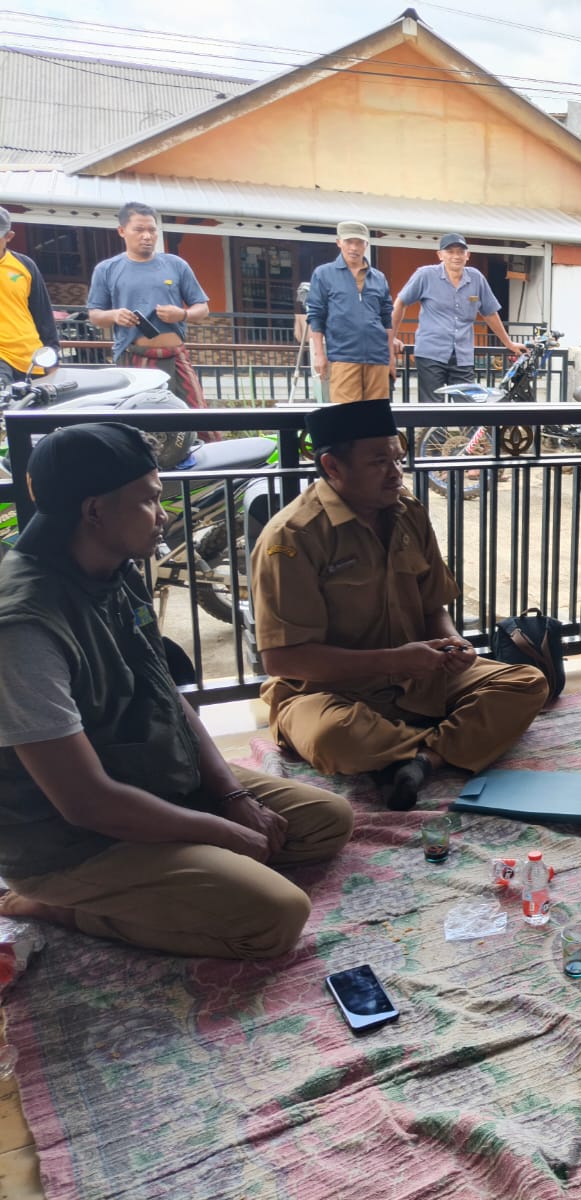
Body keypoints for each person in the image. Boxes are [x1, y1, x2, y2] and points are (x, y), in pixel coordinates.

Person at [0, 423, 353, 959]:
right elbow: (85, 803)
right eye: (148, 499)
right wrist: (219, 831)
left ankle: (183, 858)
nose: (163, 512)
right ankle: (60, 905)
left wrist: (231, 797)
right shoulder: (23, 627)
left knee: (329, 823)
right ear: (94, 511)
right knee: (276, 917)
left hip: (150, 776)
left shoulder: (110, 565)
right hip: (73, 841)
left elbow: (162, 686)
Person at [251, 399, 549, 810]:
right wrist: (394, 661)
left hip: (418, 676)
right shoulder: (293, 537)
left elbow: (433, 608)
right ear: (332, 467)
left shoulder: (407, 512)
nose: (395, 473)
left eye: (397, 458)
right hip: (328, 693)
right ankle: (443, 744)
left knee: (526, 684)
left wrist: (452, 644)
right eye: (378, 462)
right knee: (334, 738)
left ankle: (420, 761)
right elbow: (284, 660)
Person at [87, 201, 218, 441]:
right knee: (139, 421)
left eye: (152, 230)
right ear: (122, 231)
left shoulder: (176, 265)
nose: (147, 236)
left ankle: (211, 471)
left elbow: (202, 309)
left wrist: (183, 314)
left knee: (197, 414)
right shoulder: (107, 269)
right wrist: (115, 315)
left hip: (176, 355)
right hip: (134, 357)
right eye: (139, 229)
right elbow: (95, 315)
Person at [393, 234, 525, 401]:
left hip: (462, 355)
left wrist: (508, 343)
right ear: (440, 255)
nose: (456, 256)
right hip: (431, 353)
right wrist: (392, 337)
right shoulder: (425, 275)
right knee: (433, 409)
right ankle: (434, 428)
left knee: (467, 408)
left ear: (467, 255)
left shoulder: (476, 278)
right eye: (450, 251)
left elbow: (489, 313)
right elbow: (400, 303)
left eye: (460, 252)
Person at [304, 221, 396, 405]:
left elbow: (387, 318)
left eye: (359, 242)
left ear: (366, 245)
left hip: (377, 357)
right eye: (349, 242)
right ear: (339, 242)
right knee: (346, 416)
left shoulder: (378, 277)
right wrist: (319, 355)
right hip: (343, 356)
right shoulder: (324, 274)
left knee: (377, 416)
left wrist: (391, 357)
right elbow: (316, 315)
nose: (354, 247)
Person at [0, 208, 59, 384]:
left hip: (31, 357)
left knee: (32, 410)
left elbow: (43, 315)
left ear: (9, 237)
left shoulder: (24, 265)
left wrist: (52, 357)